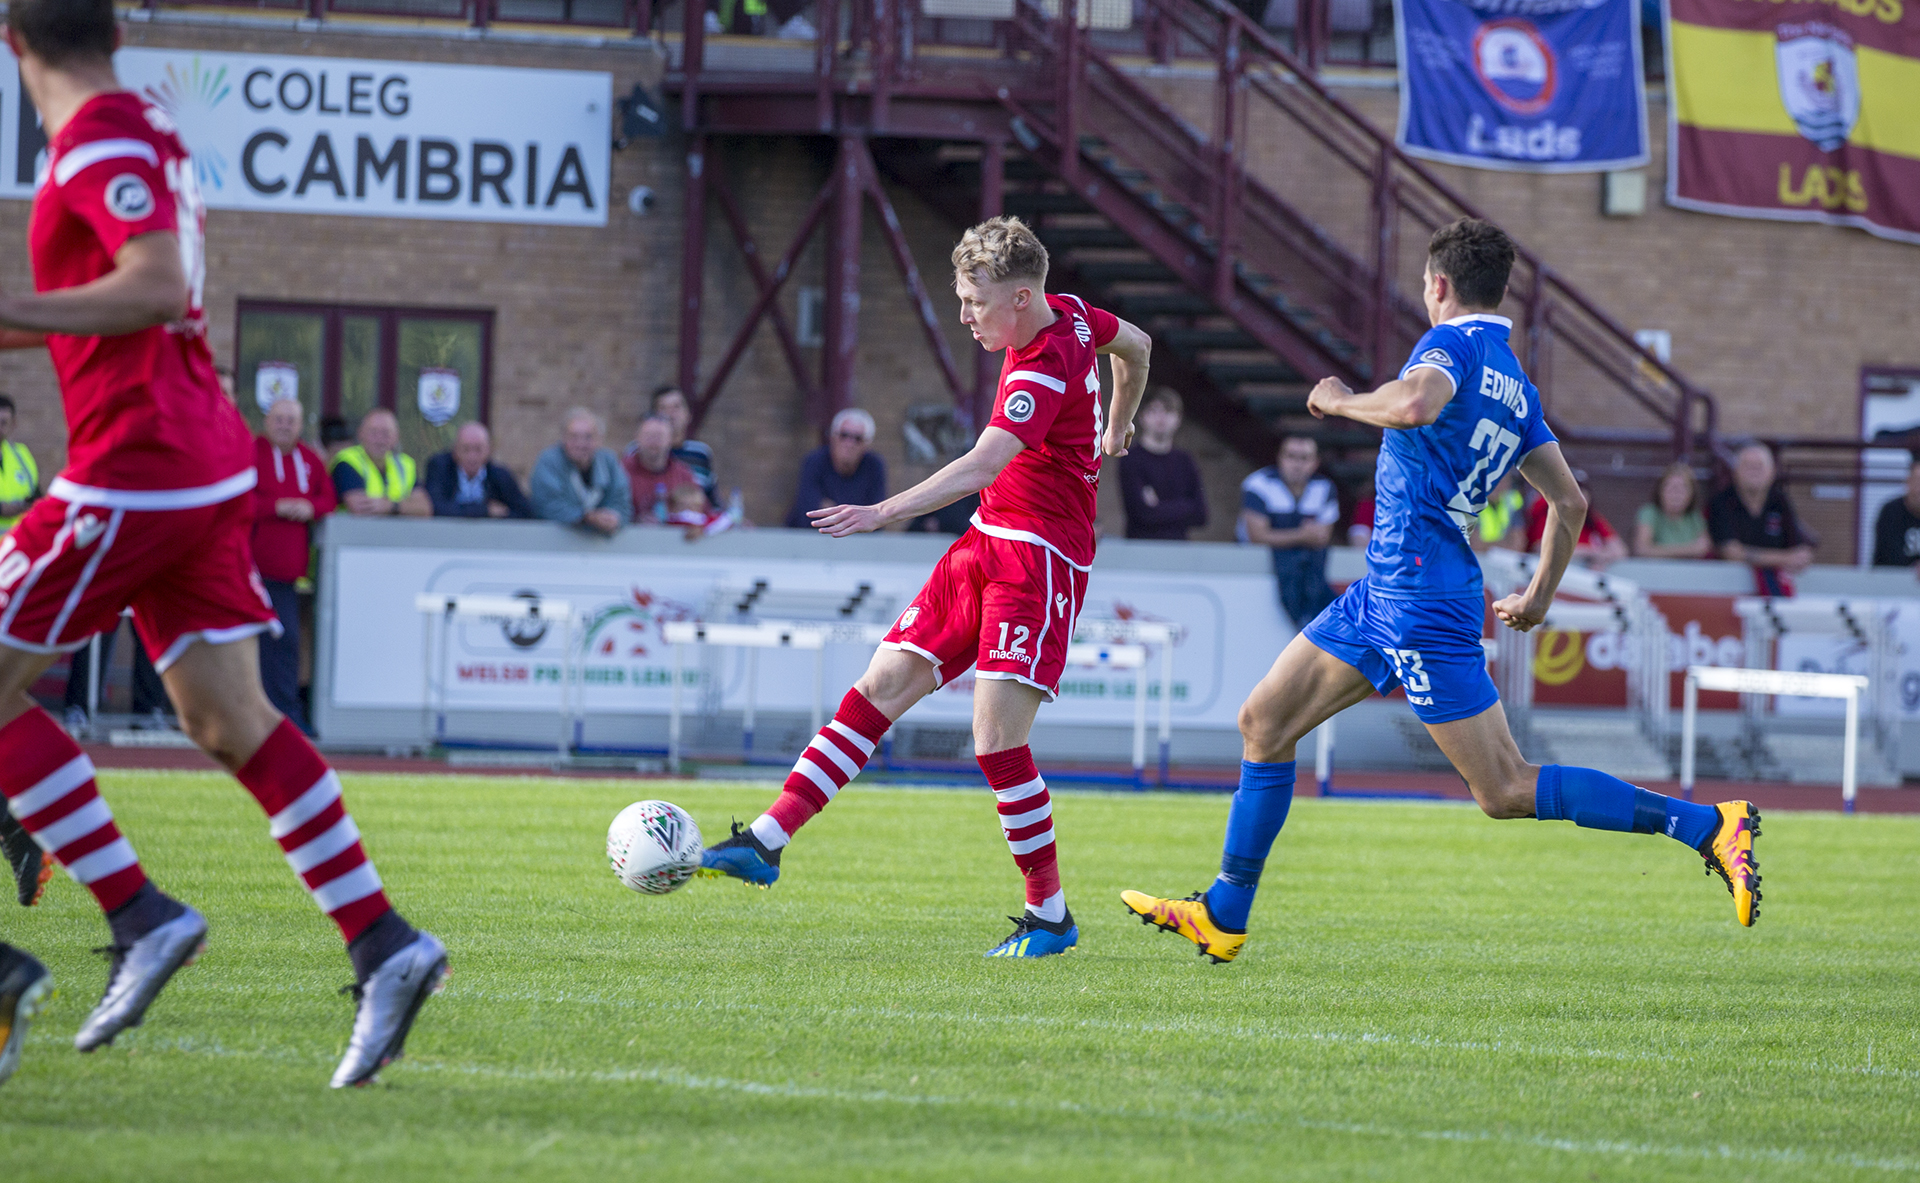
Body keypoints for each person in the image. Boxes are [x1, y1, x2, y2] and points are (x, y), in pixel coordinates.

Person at [0, 0, 444, 1093]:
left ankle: (137, 912)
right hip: (196, 464)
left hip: (140, 461)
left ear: (13, 44)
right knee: (227, 717)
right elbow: (120, 296)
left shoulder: (100, 137)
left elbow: (150, 287)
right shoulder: (137, 129)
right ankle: (386, 942)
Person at [1119, 218, 1760, 970]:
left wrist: (1338, 400)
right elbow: (1572, 504)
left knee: (1506, 787)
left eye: (1426, 285)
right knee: (1263, 720)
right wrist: (1540, 595)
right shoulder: (1514, 383)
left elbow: (1415, 404)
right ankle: (1222, 914)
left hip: (1418, 594)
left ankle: (1706, 825)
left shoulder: (1449, 346)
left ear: (1439, 285)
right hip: (1390, 587)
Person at [700, 215, 1152, 958]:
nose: (965, 315)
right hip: (985, 543)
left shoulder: (1043, 362)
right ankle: (767, 840)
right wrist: (1116, 428)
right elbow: (1135, 347)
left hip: (1039, 559)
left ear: (1020, 296)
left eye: (975, 301)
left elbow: (982, 464)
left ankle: (1050, 918)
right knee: (880, 686)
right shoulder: (1071, 312)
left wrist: (883, 510)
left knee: (995, 742)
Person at [253, 398, 335, 735]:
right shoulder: (250, 453)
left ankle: (285, 716)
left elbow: (328, 499)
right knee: (249, 647)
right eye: (279, 419)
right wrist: (278, 506)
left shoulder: (310, 461)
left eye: (291, 420)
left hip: (288, 578)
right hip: (251, 574)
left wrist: (309, 507)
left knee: (286, 646)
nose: (285, 425)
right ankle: (253, 717)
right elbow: (241, 500)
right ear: (267, 421)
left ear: (301, 426)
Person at [1240, 435, 1339, 628]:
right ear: (1280, 458)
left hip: (1309, 572)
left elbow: (1322, 538)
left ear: (1315, 462)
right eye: (1291, 456)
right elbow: (1257, 537)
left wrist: (1281, 535)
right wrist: (1302, 535)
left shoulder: (1324, 487)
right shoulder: (1259, 484)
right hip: (1256, 572)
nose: (1297, 464)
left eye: (1304, 458)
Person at [1707, 442, 1814, 596]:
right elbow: (1731, 553)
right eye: (1748, 466)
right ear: (1735, 471)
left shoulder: (1780, 502)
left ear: (1772, 472)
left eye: (1759, 466)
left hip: (1775, 591)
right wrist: (1785, 558)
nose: (1754, 471)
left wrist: (1801, 557)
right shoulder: (1721, 502)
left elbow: (1797, 548)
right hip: (1726, 593)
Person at [1118, 387, 1207, 540]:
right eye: (1153, 410)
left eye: (1168, 411)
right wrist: (1184, 506)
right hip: (1140, 549)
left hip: (1178, 551)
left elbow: (1201, 515)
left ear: (1178, 418)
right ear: (1141, 417)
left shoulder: (1185, 461)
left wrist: (1158, 507)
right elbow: (1140, 513)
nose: (1161, 417)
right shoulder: (1130, 458)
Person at [530, 408, 630, 536]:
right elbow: (547, 505)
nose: (580, 444)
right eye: (573, 437)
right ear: (563, 438)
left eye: (588, 437)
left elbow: (622, 502)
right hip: (556, 541)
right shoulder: (549, 462)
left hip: (602, 545)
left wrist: (614, 517)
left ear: (599, 439)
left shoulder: (609, 462)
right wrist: (586, 518)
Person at [785, 408, 886, 529]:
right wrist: (854, 514)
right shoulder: (815, 461)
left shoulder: (874, 466)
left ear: (867, 444)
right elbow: (808, 512)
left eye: (857, 439)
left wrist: (831, 509)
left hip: (857, 542)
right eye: (844, 435)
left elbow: (876, 517)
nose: (849, 444)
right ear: (833, 437)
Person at [330, 408, 430, 518]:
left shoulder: (405, 464)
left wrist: (391, 506)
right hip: (354, 533)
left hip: (397, 534)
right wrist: (406, 506)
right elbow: (359, 508)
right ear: (360, 434)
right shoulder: (347, 461)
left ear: (396, 437)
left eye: (386, 433)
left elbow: (424, 508)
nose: (379, 440)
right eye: (373, 433)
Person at [423, 422, 533, 519]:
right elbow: (434, 507)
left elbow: (525, 512)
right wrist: (485, 510)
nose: (472, 457)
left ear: (489, 450)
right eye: (466, 449)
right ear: (455, 451)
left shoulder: (500, 476)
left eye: (478, 449)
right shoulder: (440, 468)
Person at [1526, 469, 1626, 568]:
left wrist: (1600, 559)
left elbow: (1620, 550)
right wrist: (1591, 553)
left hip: (1582, 577)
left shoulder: (1591, 517)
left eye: (1583, 491)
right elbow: (1542, 549)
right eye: (1573, 491)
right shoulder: (1547, 512)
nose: (1580, 497)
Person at [645, 385, 719, 507]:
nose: (670, 414)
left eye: (676, 407)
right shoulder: (639, 450)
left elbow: (712, 500)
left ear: (688, 415)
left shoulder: (701, 453)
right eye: (663, 408)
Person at [624, 414, 704, 524]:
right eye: (649, 435)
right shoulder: (621, 471)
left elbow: (703, 514)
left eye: (659, 436)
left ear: (671, 439)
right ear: (636, 437)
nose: (654, 442)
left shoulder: (683, 475)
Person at [1633, 461, 1711, 559]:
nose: (1676, 494)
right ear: (1660, 490)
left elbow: (1704, 548)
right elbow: (1642, 549)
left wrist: (1659, 550)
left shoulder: (1694, 517)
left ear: (1692, 494)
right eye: (1671, 488)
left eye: (1682, 489)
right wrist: (1689, 550)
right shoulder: (1649, 513)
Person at [1870, 455, 1920, 568]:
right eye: (1917, 482)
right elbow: (1888, 557)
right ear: (1908, 482)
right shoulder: (1891, 512)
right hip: (1892, 582)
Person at [0, 394, 38, 535]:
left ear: (13, 423)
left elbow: (36, 495)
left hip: (16, 547)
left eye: (4, 422)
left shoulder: (21, 455)